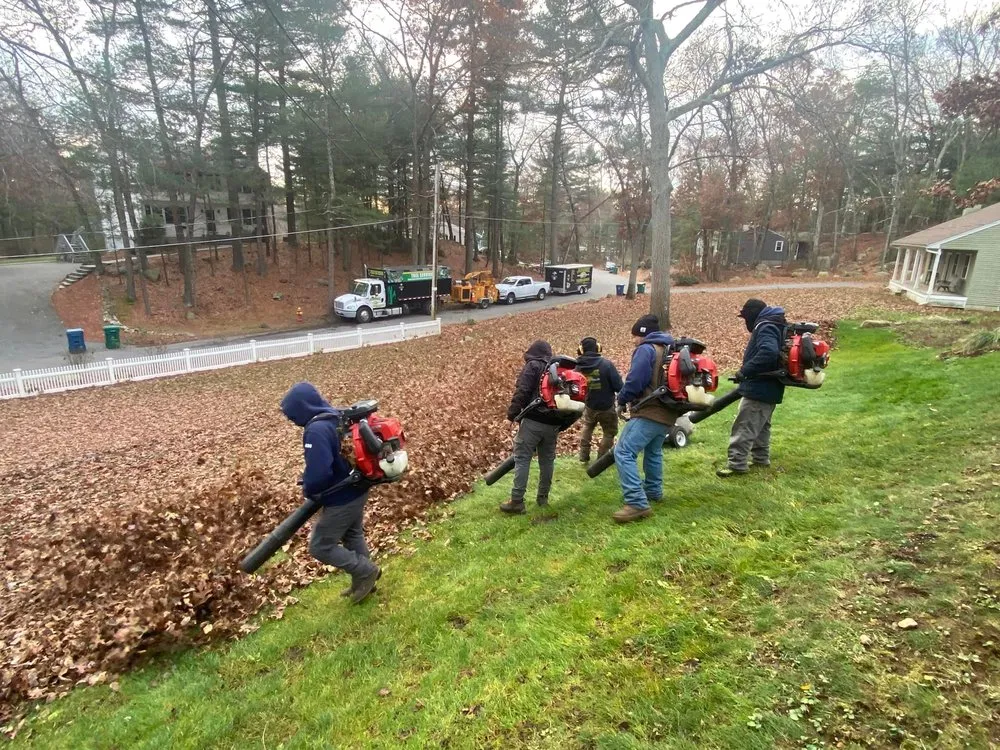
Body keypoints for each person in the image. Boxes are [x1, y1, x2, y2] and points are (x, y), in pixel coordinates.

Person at [280, 382, 381, 603]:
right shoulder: (335, 416)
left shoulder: (315, 430)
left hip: (342, 498)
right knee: (352, 535)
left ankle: (366, 571)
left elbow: (319, 473)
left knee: (320, 546)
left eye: (292, 415)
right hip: (357, 487)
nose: (291, 420)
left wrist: (308, 487)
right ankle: (363, 581)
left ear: (303, 408)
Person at [612, 315, 676, 523]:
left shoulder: (646, 349)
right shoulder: (668, 348)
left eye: (635, 336)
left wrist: (622, 399)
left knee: (623, 452)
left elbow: (635, 380)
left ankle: (636, 502)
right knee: (653, 451)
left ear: (643, 334)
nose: (634, 341)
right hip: (667, 412)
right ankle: (653, 492)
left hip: (649, 410)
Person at [717, 298, 787, 478]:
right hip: (770, 386)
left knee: (744, 426)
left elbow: (769, 352)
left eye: (746, 317)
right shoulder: (774, 323)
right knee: (761, 426)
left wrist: (745, 371)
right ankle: (761, 459)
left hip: (760, 386)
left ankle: (737, 464)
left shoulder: (766, 326)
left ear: (752, 314)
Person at [499, 340, 567, 514]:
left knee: (522, 458)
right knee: (547, 460)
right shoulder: (556, 369)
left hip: (533, 421)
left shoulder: (533, 366)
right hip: (553, 423)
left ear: (532, 352)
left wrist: (511, 416)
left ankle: (516, 501)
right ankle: (543, 499)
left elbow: (522, 391)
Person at [576, 337, 624, 463]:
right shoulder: (606, 365)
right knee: (609, 432)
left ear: (581, 350)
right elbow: (619, 386)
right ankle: (601, 459)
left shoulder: (577, 367)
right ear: (597, 348)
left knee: (587, 427)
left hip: (589, 405)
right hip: (607, 406)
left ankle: (583, 456)